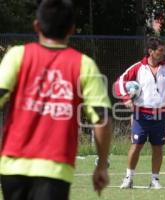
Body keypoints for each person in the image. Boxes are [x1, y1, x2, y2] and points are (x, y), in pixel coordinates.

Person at [0, 0, 112, 199]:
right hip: (55, 168)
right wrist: (102, 165)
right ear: (72, 29)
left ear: (36, 25)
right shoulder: (84, 65)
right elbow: (102, 119)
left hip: (12, 167)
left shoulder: (17, 56)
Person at [114, 37, 165, 189]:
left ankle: (155, 180)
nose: (163, 53)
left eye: (164, 50)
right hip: (140, 114)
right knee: (136, 145)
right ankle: (128, 178)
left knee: (158, 147)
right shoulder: (138, 67)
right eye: (160, 50)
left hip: (160, 114)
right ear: (151, 51)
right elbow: (120, 81)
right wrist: (126, 98)